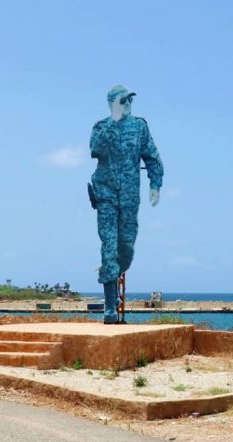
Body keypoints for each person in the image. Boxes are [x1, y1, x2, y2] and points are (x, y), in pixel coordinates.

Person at [88, 85, 164, 323]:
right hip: (105, 193)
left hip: (130, 196)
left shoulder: (139, 127)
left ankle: (115, 275)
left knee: (126, 248)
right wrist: (113, 121)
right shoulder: (101, 127)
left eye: (130, 101)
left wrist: (155, 184)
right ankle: (110, 306)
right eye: (123, 101)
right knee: (109, 245)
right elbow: (95, 149)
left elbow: (152, 156)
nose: (128, 105)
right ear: (112, 104)